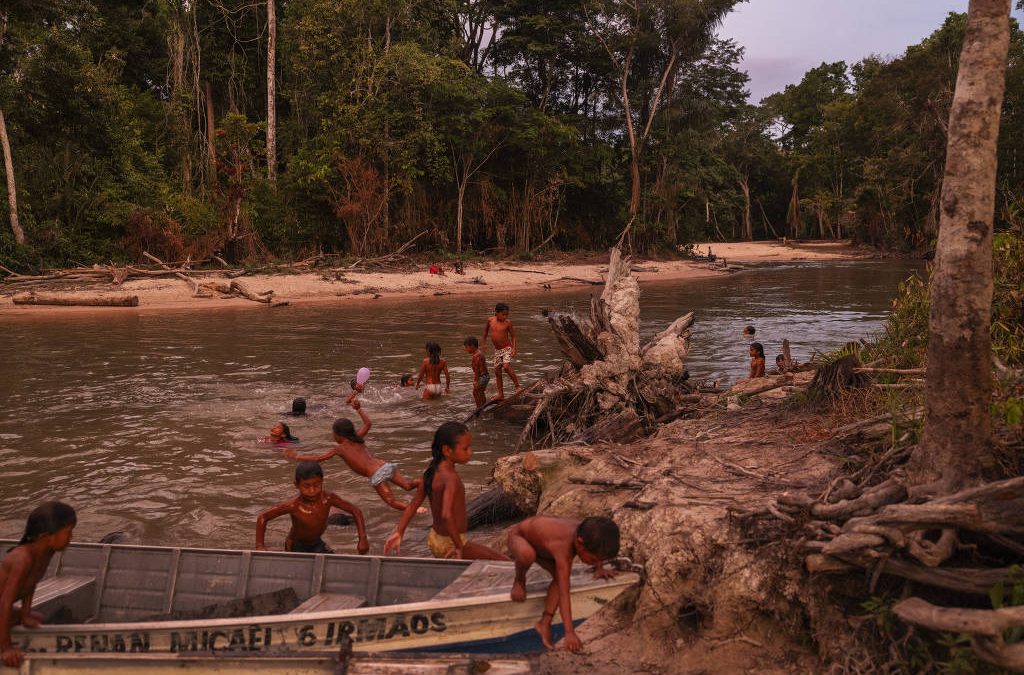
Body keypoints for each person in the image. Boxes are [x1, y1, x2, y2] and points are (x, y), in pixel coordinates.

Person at [384, 422, 508, 561]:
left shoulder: (431, 472)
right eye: (465, 448)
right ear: (447, 450)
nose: (470, 452)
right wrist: (459, 546)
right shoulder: (451, 478)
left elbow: (413, 505)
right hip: (450, 542)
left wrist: (399, 532)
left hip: (435, 538)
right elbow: (446, 515)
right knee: (505, 562)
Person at [507, 515, 620, 652]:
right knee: (528, 555)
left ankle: (544, 623)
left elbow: (599, 545)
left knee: (558, 577)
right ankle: (519, 580)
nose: (595, 562)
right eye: (593, 560)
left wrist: (600, 568)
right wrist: (569, 632)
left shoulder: (587, 532)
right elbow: (564, 592)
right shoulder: (563, 546)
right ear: (580, 543)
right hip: (520, 539)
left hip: (543, 548)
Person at [285, 401, 422, 511]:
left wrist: (297, 456)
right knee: (408, 486)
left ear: (338, 434)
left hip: (376, 474)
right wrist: (359, 409)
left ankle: (416, 509)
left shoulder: (340, 449)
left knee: (392, 502)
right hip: (384, 465)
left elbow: (317, 458)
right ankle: (426, 482)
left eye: (333, 433)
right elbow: (368, 424)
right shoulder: (357, 438)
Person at [1, 502, 77, 668]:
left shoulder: (46, 553)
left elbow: (31, 584)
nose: (71, 538)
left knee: (37, 618)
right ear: (46, 536)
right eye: (68, 532)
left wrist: (25, 613)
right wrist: (6, 648)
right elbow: (5, 602)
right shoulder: (23, 558)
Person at [255, 461, 368, 554]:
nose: (312, 491)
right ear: (296, 485)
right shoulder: (294, 505)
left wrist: (362, 539)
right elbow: (263, 517)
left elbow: (355, 511)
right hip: (296, 545)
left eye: (317, 485)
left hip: (317, 542)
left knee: (332, 563)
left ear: (322, 482)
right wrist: (260, 546)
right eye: (306, 486)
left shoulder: (328, 498)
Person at [483, 302, 520, 400]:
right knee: (497, 372)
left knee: (506, 367)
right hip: (497, 350)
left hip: (507, 348)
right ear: (496, 312)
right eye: (503, 314)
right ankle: (501, 394)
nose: (505, 316)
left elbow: (513, 336)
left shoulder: (508, 323)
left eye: (506, 315)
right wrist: (484, 343)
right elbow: (485, 331)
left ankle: (517, 386)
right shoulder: (490, 320)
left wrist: (514, 348)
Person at [464, 336, 489, 408]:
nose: (466, 349)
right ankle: (483, 406)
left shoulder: (476, 356)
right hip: (485, 376)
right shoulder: (479, 353)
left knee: (475, 392)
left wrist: (475, 380)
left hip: (482, 377)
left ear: (472, 346)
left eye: (466, 347)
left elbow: (477, 370)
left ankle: (479, 408)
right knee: (480, 392)